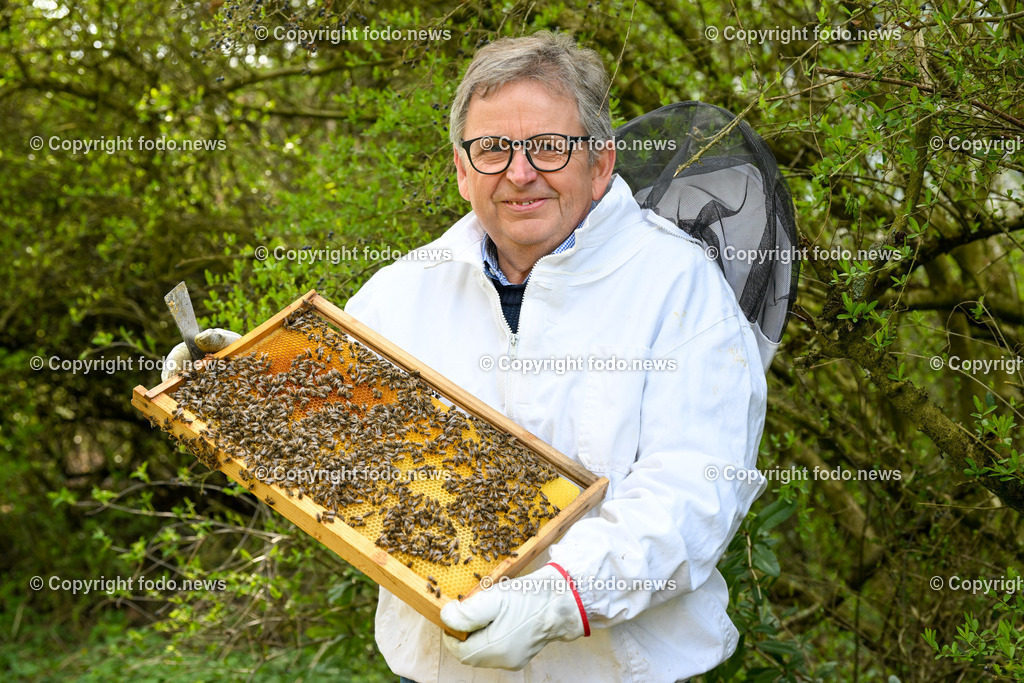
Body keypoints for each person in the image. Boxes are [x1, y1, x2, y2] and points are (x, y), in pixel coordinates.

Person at [166, 31, 768, 683]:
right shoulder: (405, 287)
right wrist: (251, 383)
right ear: (460, 168)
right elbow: (338, 435)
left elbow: (692, 491)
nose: (519, 172)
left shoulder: (678, 287)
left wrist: (560, 597)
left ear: (600, 163)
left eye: (548, 146)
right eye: (492, 150)